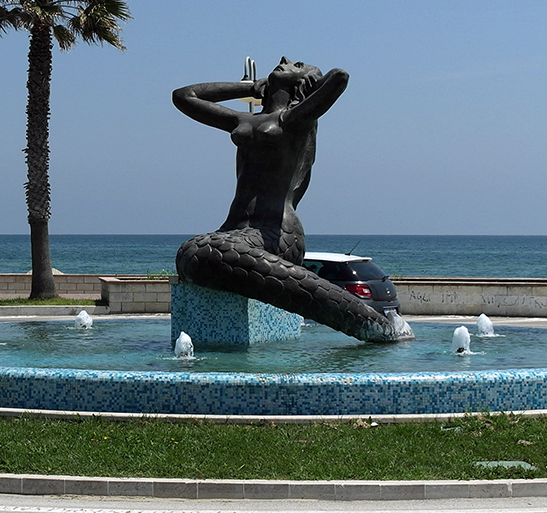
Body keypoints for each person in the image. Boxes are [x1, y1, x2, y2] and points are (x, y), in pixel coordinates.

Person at [173, 58, 405, 343]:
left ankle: (369, 321)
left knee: (204, 254)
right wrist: (249, 87)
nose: (283, 60)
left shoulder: (295, 120)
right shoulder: (243, 120)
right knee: (195, 255)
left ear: (303, 82)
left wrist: (315, 81)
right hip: (235, 232)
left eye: (297, 63)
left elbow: (340, 77)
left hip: (277, 234)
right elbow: (184, 96)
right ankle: (368, 322)